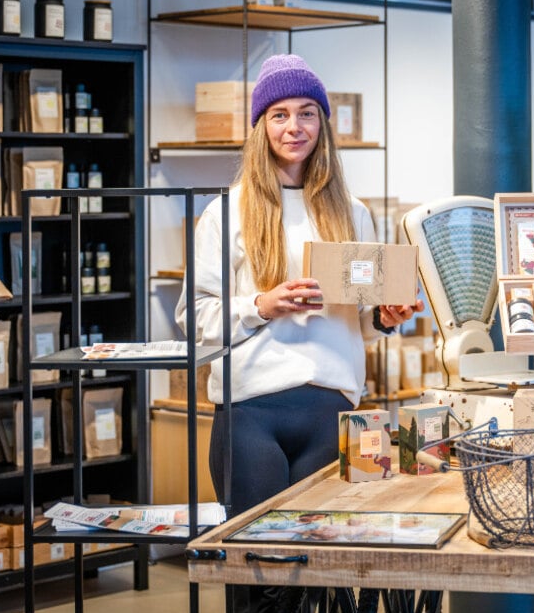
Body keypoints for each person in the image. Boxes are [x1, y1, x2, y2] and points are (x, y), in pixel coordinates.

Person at [175, 53, 422, 517]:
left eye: (307, 113)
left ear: (322, 125)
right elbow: (195, 319)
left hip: (334, 413)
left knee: (321, 568)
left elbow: (362, 317)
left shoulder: (353, 212)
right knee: (257, 565)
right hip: (250, 412)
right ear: (261, 127)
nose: (295, 126)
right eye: (280, 115)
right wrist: (261, 305)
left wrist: (384, 317)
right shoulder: (225, 212)